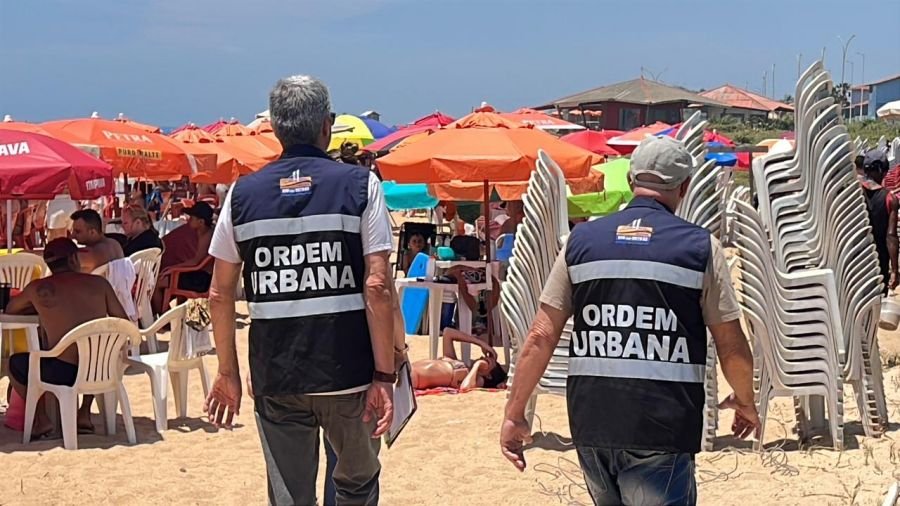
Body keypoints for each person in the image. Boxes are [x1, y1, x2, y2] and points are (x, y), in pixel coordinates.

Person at [499, 136, 759, 505]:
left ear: (630, 179)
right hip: (662, 423)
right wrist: (745, 400)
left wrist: (515, 413)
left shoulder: (580, 241)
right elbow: (730, 344)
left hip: (592, 421)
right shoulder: (700, 247)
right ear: (683, 187)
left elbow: (541, 334)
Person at [205, 75, 395, 506]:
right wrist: (385, 374)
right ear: (327, 125)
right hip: (348, 369)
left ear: (275, 127)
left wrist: (227, 371)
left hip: (277, 372)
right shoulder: (360, 185)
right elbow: (378, 286)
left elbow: (219, 293)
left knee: (290, 495)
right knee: (356, 485)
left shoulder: (242, 195)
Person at [5, 238, 129, 436]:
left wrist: (39, 306)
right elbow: (123, 321)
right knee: (93, 354)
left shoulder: (38, 288)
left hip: (61, 372)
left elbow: (11, 308)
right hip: (101, 368)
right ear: (73, 259)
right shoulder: (100, 284)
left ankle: (41, 419)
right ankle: (84, 412)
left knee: (14, 364)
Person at [152, 201, 215, 313]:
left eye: (192, 218)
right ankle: (169, 315)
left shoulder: (206, 235)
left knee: (157, 283)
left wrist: (171, 269)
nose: (189, 220)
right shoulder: (204, 232)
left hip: (201, 280)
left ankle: (164, 317)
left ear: (201, 222)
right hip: (200, 275)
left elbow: (196, 262)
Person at [412, 327, 506, 391]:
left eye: (487, 361)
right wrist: (480, 343)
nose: (483, 357)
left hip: (414, 378)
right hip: (409, 368)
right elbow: (448, 332)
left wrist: (477, 365)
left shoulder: (475, 378)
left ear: (488, 376)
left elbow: (465, 388)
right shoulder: (453, 360)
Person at [860, 149, 899, 293]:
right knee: (878, 299)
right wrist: (894, 270)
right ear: (882, 171)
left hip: (854, 259)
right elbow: (891, 236)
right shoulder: (890, 199)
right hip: (878, 260)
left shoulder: (853, 193)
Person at [70, 209, 124, 273]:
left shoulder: (97, 252)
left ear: (92, 232)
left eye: (77, 232)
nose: (72, 235)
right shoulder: (113, 243)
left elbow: (69, 261)